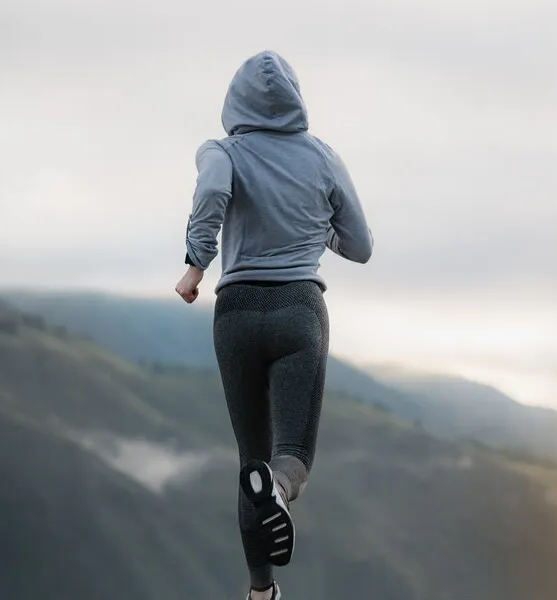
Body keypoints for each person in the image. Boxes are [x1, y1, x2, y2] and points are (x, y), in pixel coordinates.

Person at [174, 49, 373, 600]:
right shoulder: (323, 157)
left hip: (235, 313)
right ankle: (280, 490)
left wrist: (195, 264)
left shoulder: (221, 151)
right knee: (292, 458)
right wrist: (315, 230)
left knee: (250, 458)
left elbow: (212, 191)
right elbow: (360, 246)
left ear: (233, 102)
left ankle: (261, 592)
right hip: (298, 310)